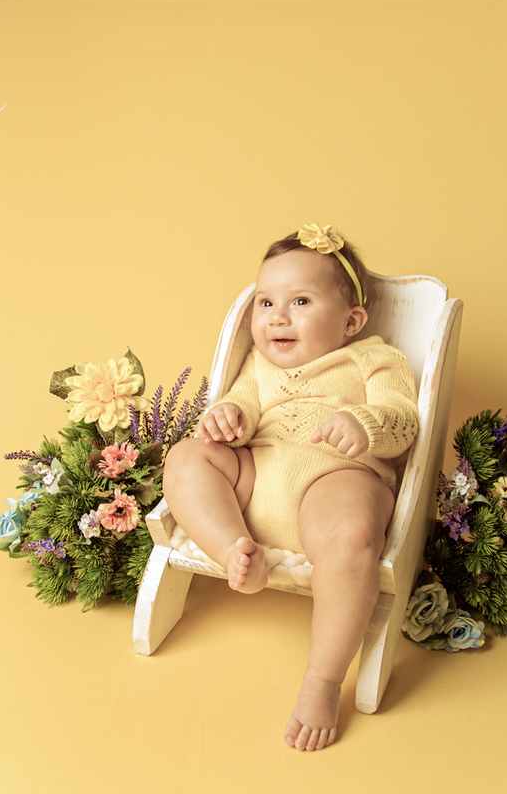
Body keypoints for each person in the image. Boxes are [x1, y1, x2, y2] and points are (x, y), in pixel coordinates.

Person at [162, 223, 418, 752]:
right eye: (265, 302)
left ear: (351, 321)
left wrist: (365, 423)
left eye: (300, 301)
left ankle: (322, 680)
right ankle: (234, 549)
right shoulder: (257, 365)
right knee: (186, 458)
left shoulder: (373, 358)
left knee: (351, 534)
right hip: (255, 479)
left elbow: (403, 420)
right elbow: (240, 408)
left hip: (334, 481)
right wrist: (226, 417)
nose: (277, 316)